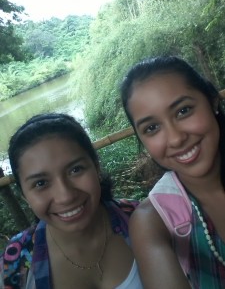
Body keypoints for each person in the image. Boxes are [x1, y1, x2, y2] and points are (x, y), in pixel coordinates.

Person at [0, 113, 143, 289]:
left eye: (76, 170)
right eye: (41, 183)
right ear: (24, 195)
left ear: (96, 167)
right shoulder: (15, 263)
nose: (65, 196)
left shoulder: (144, 221)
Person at [120, 56, 225, 288]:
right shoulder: (153, 220)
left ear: (212, 101)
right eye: (152, 128)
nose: (176, 139)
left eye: (183, 111)